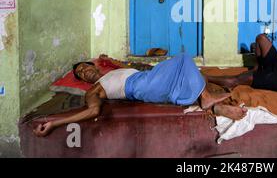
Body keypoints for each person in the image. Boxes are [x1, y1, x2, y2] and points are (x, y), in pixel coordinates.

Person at [34, 53, 247, 137]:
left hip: (147, 79)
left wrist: (112, 61)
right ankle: (207, 99)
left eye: (85, 67)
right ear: (83, 81)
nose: (84, 71)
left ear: (94, 66)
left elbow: (124, 66)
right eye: (80, 73)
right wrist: (55, 123)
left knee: (184, 75)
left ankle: (213, 105)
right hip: (141, 87)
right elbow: (92, 109)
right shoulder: (95, 89)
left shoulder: (110, 73)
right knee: (182, 60)